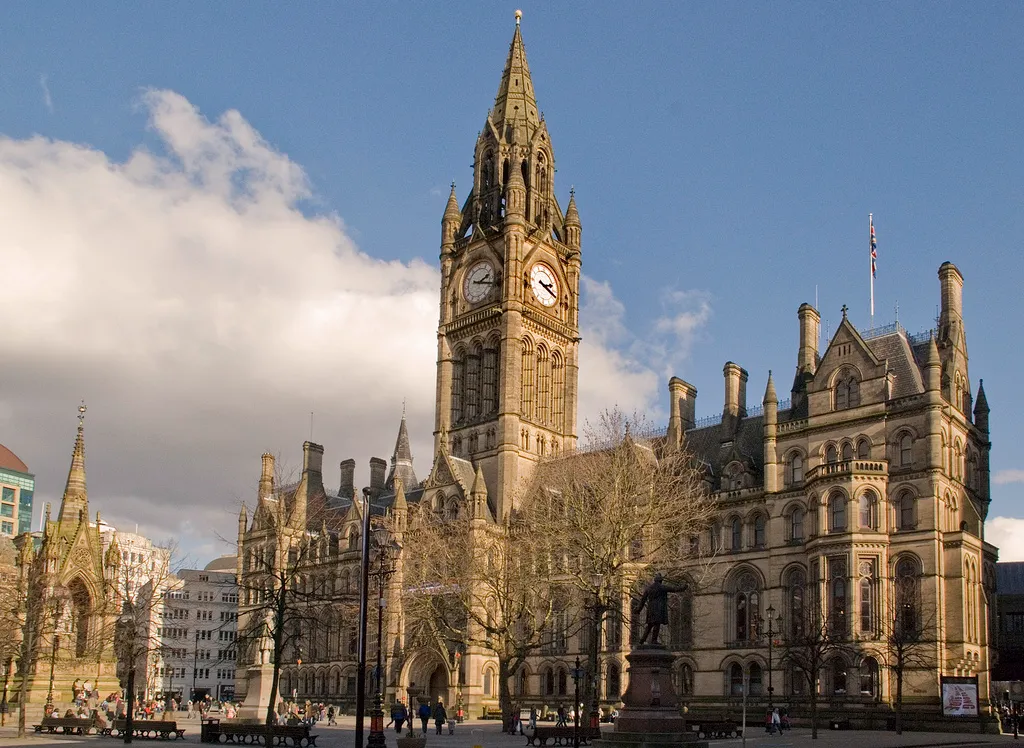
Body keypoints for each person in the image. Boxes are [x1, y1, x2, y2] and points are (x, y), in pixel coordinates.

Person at [632, 573, 687, 646]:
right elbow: (674, 589)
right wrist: (684, 587)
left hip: (650, 609)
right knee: (656, 624)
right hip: (658, 608)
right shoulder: (662, 587)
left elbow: (643, 601)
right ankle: (654, 640)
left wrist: (638, 610)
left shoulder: (648, 588)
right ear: (661, 581)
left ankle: (642, 640)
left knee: (649, 625)